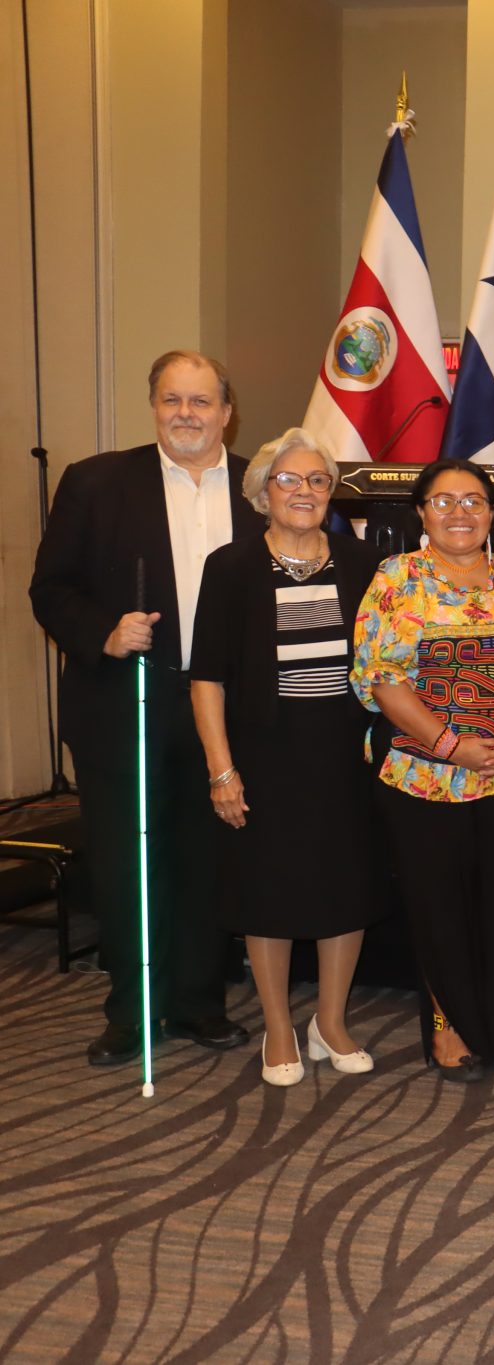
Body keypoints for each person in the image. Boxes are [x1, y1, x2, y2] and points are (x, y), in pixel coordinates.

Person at [29, 351, 263, 1066]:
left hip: (223, 707)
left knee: (205, 859)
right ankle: (131, 1012)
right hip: (124, 700)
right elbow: (50, 587)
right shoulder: (95, 482)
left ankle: (197, 1002)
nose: (186, 414)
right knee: (127, 861)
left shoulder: (259, 488)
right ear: (154, 406)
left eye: (201, 401)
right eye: (172, 400)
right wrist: (103, 632)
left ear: (227, 412)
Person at [188, 429, 382, 1086]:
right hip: (263, 754)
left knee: (345, 887)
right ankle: (278, 1026)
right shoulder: (231, 567)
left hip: (345, 752)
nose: (305, 491)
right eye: (290, 480)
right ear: (262, 492)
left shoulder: (363, 563)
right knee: (266, 890)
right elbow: (207, 678)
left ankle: (330, 1022)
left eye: (318, 481)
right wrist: (221, 770)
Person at [351, 460, 494, 1082]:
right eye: (443, 501)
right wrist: (450, 746)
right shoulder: (397, 577)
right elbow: (381, 678)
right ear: (421, 512)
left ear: (493, 512)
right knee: (440, 907)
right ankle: (449, 1030)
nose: (460, 512)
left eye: (473, 501)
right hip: (426, 775)